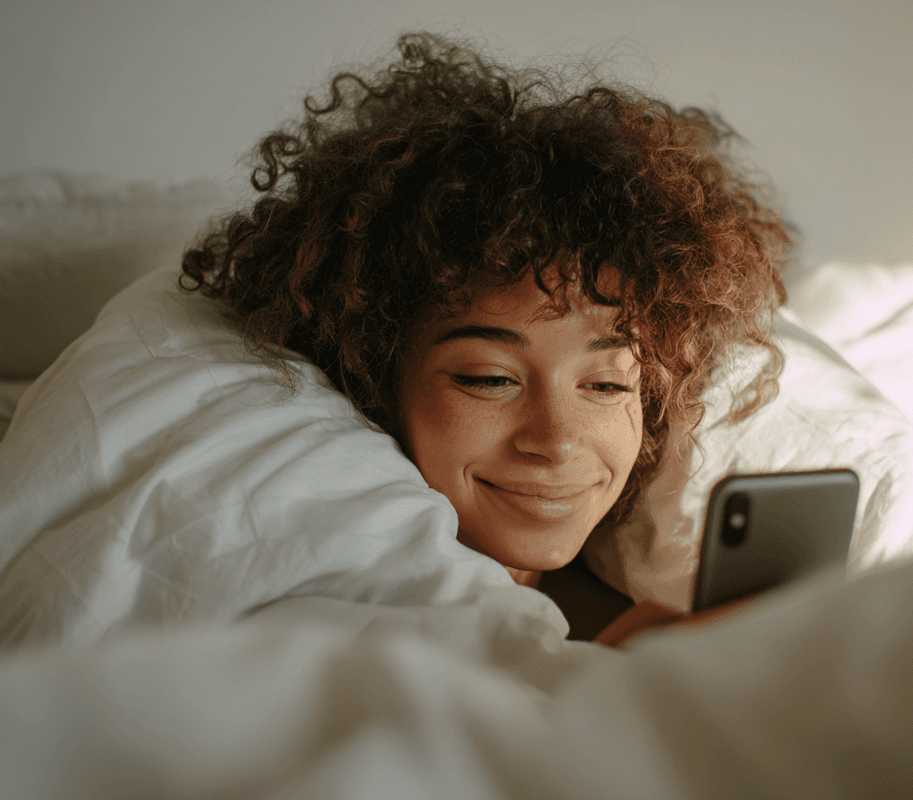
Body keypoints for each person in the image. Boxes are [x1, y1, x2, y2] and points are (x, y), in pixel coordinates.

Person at [180, 33, 791, 639]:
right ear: (371, 375)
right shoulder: (329, 632)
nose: (556, 442)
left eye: (606, 385)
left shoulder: (666, 625)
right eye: (490, 379)